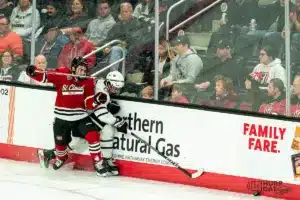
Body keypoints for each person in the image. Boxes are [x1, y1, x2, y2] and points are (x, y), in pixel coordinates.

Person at [26, 57, 125, 176]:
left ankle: (98, 163)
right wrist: (33, 72)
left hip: (80, 117)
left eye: (85, 70)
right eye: (81, 69)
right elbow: (44, 76)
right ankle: (54, 156)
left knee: (93, 136)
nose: (83, 73)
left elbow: (88, 103)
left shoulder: (88, 81)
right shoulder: (62, 73)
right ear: (73, 68)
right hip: (61, 119)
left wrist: (96, 100)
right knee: (62, 153)